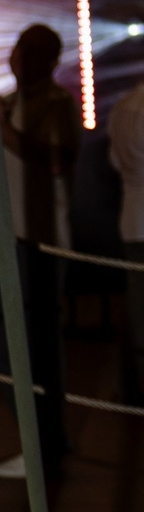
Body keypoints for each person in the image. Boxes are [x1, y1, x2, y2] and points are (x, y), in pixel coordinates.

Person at [0, 23, 79, 468]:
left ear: (51, 60)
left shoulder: (58, 103)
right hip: (4, 235)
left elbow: (58, 161)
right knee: (9, 346)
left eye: (30, 50)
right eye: (18, 48)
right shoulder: (9, 103)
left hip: (40, 240)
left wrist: (6, 133)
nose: (19, 57)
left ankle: (45, 443)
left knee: (39, 346)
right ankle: (38, 439)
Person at [109, 76, 144, 387]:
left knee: (137, 309)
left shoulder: (122, 107)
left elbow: (115, 163)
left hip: (131, 220)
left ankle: (133, 385)